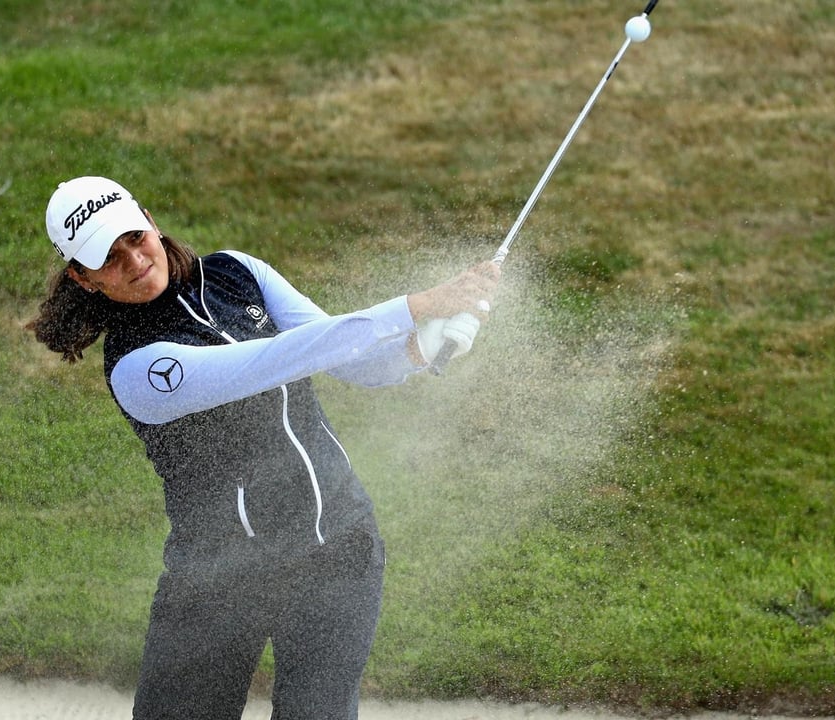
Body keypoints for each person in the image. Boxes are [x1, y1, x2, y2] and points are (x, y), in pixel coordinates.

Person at [27, 176, 499, 720]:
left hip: (337, 547)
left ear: (151, 222)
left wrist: (424, 345)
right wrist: (417, 305)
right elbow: (275, 360)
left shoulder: (237, 272)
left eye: (135, 237)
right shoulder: (140, 368)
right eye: (108, 259)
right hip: (217, 580)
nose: (134, 260)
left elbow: (357, 361)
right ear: (82, 279)